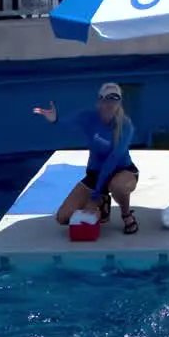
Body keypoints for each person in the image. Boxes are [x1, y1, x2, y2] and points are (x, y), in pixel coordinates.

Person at [32, 83, 140, 235]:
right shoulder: (88, 117)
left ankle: (126, 214)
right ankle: (103, 205)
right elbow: (68, 124)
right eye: (106, 99)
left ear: (119, 103)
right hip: (95, 174)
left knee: (118, 187)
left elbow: (112, 160)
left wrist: (97, 192)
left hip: (122, 171)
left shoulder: (126, 125)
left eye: (114, 99)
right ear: (100, 101)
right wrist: (55, 120)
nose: (110, 104)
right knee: (63, 217)